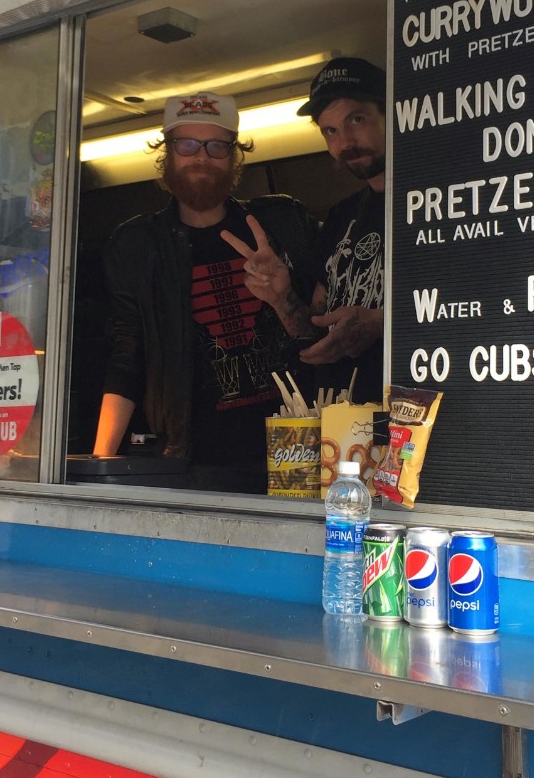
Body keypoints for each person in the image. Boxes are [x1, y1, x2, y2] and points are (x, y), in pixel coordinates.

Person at [93, 91, 317, 494]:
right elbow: (126, 358)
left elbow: (320, 339)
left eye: (216, 145)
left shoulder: (280, 224)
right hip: (193, 460)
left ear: (234, 155)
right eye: (187, 144)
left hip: (296, 450)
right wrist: (101, 468)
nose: (201, 157)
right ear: (168, 153)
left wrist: (283, 298)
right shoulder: (138, 245)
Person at [221, 57, 386, 404]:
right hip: (343, 427)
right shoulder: (342, 215)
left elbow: (476, 304)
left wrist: (382, 323)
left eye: (356, 119)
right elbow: (314, 332)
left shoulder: (441, 202)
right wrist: (281, 298)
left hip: (420, 422)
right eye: (331, 131)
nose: (346, 141)